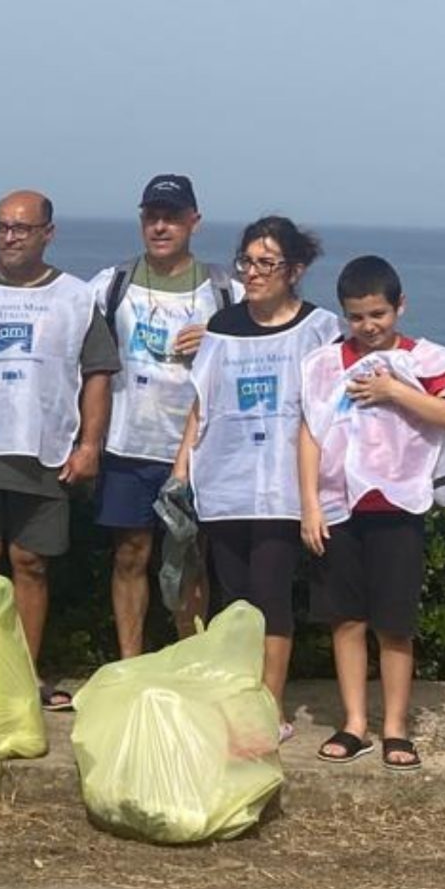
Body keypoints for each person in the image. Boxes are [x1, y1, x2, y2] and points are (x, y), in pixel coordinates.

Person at [298, 256, 445, 773]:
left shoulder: (426, 360)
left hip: (399, 505)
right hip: (336, 506)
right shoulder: (324, 364)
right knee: (345, 618)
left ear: (400, 306)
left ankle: (395, 727)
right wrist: (308, 504)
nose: (369, 327)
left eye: (378, 314)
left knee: (394, 622)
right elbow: (309, 431)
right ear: (344, 315)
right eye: (357, 317)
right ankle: (355, 723)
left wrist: (394, 390)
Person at [176, 215, 342, 737]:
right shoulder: (222, 327)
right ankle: (238, 698)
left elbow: (331, 412)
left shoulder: (320, 328)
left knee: (272, 598)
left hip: (284, 489)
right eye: (246, 261)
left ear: (293, 269)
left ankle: (270, 706)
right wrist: (182, 466)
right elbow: (203, 404)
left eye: (266, 263)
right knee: (236, 601)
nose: (252, 272)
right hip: (226, 483)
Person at [0, 190, 106, 708]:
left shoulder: (77, 297)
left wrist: (89, 445)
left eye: (22, 228)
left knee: (31, 561)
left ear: (47, 233)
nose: (10, 237)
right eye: (1, 227)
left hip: (45, 449)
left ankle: (26, 675)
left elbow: (97, 374)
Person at [84, 174, 236, 659]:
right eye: (152, 216)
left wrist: (216, 336)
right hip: (126, 442)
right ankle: (132, 664)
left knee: (191, 559)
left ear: (195, 221)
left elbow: (262, 341)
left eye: (172, 217)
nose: (161, 226)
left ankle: (190, 663)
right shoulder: (112, 284)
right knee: (130, 554)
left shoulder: (223, 290)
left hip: (193, 450)